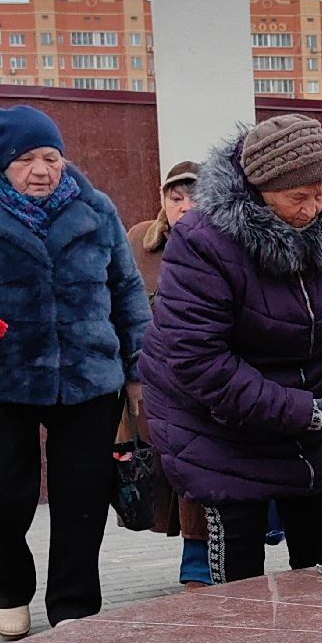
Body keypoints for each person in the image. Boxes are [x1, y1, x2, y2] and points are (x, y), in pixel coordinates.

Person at [0, 104, 150, 638]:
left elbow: (127, 292)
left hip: (87, 378)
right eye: (27, 159)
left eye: (52, 157)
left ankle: (74, 606)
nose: (42, 170)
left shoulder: (95, 209)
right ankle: (9, 586)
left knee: (82, 499)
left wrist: (138, 371)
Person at [140, 115, 322, 584]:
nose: (314, 208)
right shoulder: (202, 241)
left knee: (316, 570)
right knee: (239, 583)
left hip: (313, 414)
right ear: (258, 188)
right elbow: (198, 358)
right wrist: (300, 410)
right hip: (219, 425)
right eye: (298, 198)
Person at [121, 159, 212, 586]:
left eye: (194, 196)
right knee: (163, 468)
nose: (185, 206)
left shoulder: (225, 239)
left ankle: (197, 559)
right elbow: (119, 301)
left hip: (207, 375)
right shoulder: (142, 240)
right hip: (153, 377)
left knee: (199, 466)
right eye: (175, 198)